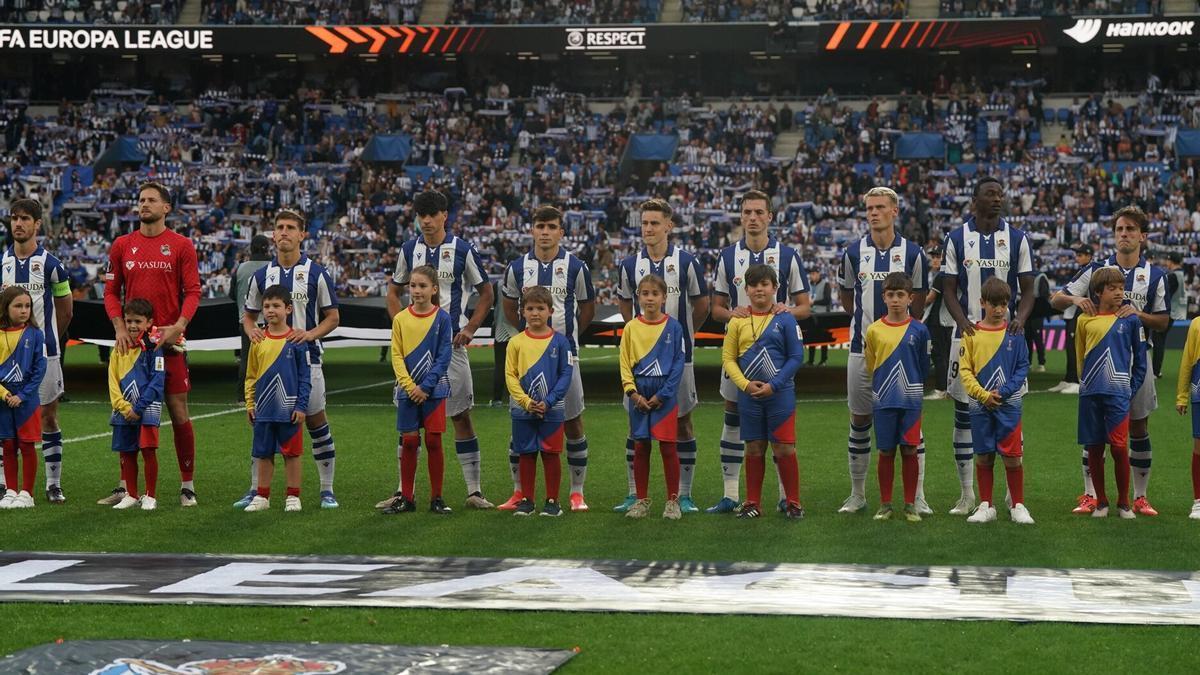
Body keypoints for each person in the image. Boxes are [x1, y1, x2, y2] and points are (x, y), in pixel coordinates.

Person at [1051, 206, 1166, 516]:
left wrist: (1138, 314)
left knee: (1139, 428)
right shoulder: (1097, 271)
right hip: (1099, 367)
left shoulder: (1154, 275)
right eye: (1119, 229)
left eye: (1130, 229)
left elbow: (1164, 321)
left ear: (1143, 236)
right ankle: (1091, 495)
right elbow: (1055, 299)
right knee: (1094, 432)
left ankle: (1139, 497)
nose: (1124, 234)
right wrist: (1077, 299)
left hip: (1136, 362)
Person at [388, 190, 495, 510]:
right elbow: (392, 292)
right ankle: (403, 491)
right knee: (408, 421)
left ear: (444, 215)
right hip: (413, 350)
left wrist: (470, 329)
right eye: (421, 216)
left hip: (451, 346)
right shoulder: (409, 249)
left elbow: (486, 293)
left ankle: (474, 491)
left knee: (460, 415)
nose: (426, 221)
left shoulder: (462, 249)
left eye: (432, 215)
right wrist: (402, 326)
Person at [709, 190, 811, 514]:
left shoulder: (788, 256)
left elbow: (805, 307)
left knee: (780, 433)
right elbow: (715, 309)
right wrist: (734, 314)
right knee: (733, 413)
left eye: (758, 212)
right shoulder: (727, 257)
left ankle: (785, 496)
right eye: (747, 212)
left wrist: (785, 312)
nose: (752, 218)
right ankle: (730, 493)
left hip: (776, 352)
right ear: (741, 217)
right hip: (739, 354)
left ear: (770, 217)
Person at [101, 182, 201, 508]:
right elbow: (111, 292)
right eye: (141, 199)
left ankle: (187, 485)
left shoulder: (182, 245)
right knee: (127, 411)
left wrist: (178, 327)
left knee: (179, 412)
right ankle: (127, 488)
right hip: (132, 347)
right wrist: (119, 326)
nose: (144, 204)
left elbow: (194, 292)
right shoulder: (121, 245)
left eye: (151, 200)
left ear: (166, 207)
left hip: (167, 346)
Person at [940, 177, 1035, 516]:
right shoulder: (956, 238)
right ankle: (969, 494)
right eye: (990, 194)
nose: (998, 199)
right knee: (964, 414)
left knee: (1012, 410)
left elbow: (1028, 289)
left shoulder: (1017, 238)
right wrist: (962, 321)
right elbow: (949, 289)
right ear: (974, 200)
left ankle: (1013, 496)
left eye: (1000, 194)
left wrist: (1020, 320)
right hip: (968, 337)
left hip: (1007, 338)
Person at [239, 209, 341, 510]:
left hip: (306, 360)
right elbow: (248, 316)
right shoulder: (261, 276)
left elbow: (333, 317)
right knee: (263, 423)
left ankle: (326, 489)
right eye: (279, 227)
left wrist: (310, 334)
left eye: (290, 228)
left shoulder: (317, 273)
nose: (284, 232)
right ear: (273, 235)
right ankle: (256, 490)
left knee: (315, 421)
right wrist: (252, 332)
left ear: (302, 234)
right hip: (269, 362)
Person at [838, 187, 929, 516]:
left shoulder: (913, 253)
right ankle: (858, 493)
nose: (873, 213)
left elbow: (918, 298)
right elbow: (848, 298)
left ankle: (916, 497)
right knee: (860, 419)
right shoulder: (852, 252)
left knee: (910, 425)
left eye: (880, 207)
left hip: (903, 352)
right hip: (862, 350)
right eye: (869, 208)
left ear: (894, 211)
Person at [614, 199, 708, 513]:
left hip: (680, 358)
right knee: (635, 427)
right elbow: (624, 304)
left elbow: (702, 304)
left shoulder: (687, 262)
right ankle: (634, 494)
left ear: (669, 225)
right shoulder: (629, 265)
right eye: (645, 223)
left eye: (655, 223)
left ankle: (683, 495)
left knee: (682, 425)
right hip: (640, 364)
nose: (649, 229)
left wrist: (684, 336)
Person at [500, 205, 595, 512]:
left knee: (572, 423)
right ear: (532, 230)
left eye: (551, 227)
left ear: (560, 232)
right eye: (540, 226)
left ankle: (576, 492)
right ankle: (519, 492)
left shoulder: (575, 266)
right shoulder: (517, 267)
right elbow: (508, 306)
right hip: (526, 358)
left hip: (565, 359)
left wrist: (564, 342)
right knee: (521, 427)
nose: (545, 232)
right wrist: (529, 340)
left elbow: (587, 308)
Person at [0, 198, 72, 504]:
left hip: (44, 354)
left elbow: (66, 311)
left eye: (25, 219)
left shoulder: (53, 265)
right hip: (6, 355)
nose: (18, 224)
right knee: (5, 418)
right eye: (14, 218)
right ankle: (7, 484)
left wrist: (46, 340)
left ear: (37, 224)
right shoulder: (2, 264)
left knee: (47, 417)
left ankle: (52, 483)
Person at [720, 264, 805, 520]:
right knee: (754, 448)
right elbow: (728, 358)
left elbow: (796, 356)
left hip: (780, 395)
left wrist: (774, 385)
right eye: (754, 285)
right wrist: (745, 385)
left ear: (775, 288)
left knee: (784, 448)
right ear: (746, 290)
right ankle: (752, 503)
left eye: (765, 284)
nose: (759, 289)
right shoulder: (737, 322)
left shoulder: (786, 319)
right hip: (750, 396)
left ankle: (793, 502)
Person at [958, 278, 1034, 525]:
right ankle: (986, 505)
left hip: (1008, 404)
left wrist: (1006, 391)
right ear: (982, 303)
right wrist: (983, 395)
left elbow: (1023, 366)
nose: (999, 309)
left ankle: (1018, 505)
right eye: (993, 304)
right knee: (983, 455)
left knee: (1012, 456)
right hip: (980, 405)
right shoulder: (971, 333)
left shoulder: (1015, 333)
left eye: (1003, 304)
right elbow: (965, 370)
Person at [381, 266, 453, 515]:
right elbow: (397, 355)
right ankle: (407, 498)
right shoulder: (400, 318)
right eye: (413, 286)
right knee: (409, 442)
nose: (417, 291)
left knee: (434, 441)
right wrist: (410, 386)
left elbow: (444, 356)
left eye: (422, 286)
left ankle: (437, 498)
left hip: (435, 390)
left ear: (434, 289)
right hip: (408, 391)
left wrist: (426, 386)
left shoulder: (443, 319)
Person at [1075, 267, 1146, 519]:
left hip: (1118, 394)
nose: (1119, 293)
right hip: (1090, 393)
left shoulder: (1131, 320)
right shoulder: (1084, 319)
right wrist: (1085, 384)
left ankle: (1124, 502)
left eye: (1121, 287)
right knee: (1094, 447)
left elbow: (1141, 361)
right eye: (1112, 288)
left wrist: (1130, 388)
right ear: (1098, 292)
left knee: (1118, 447)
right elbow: (1080, 356)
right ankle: (1102, 502)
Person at [619, 274, 686, 520]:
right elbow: (625, 363)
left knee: (668, 447)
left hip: (663, 397)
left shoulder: (674, 327)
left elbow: (678, 364)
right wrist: (633, 393)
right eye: (645, 293)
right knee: (641, 446)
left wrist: (663, 395)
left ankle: (673, 501)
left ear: (664, 297)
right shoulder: (631, 328)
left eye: (655, 294)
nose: (650, 298)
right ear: (638, 297)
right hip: (639, 395)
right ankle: (641, 500)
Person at [864, 272, 929, 523]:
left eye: (900, 295)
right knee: (886, 451)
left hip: (911, 401)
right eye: (890, 295)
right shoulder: (874, 330)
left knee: (910, 450)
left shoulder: (920, 330)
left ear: (910, 298)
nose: (895, 300)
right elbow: (871, 364)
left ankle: (910, 504)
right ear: (884, 297)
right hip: (883, 399)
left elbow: (924, 365)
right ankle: (885, 504)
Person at [505, 286, 574, 517]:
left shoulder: (561, 342)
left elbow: (566, 374)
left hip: (552, 409)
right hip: (522, 408)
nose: (535, 313)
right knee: (526, 452)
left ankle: (553, 501)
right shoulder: (515, 342)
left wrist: (550, 400)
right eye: (530, 308)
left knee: (551, 453)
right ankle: (527, 500)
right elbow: (510, 376)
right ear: (522, 312)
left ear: (551, 311)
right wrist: (525, 401)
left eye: (540, 308)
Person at [242, 285, 312, 513]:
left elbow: (304, 377)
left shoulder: (297, 340)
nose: (270, 310)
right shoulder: (258, 340)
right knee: (263, 453)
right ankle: (262, 496)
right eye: (266, 306)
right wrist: (250, 403)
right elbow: (251, 375)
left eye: (276, 306)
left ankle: (293, 496)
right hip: (263, 409)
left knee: (292, 454)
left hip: (289, 409)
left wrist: (301, 406)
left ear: (288, 309)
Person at [107, 298, 165, 511]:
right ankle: (131, 494)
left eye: (138, 321)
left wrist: (138, 408)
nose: (132, 325)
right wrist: (122, 406)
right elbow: (112, 380)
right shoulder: (118, 348)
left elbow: (158, 381)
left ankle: (150, 495)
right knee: (126, 452)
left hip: (147, 408)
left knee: (148, 451)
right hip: (123, 409)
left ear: (149, 323)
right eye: (129, 320)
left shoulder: (153, 348)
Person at [0, 286, 45, 509]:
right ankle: (10, 490)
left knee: (27, 445)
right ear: (5, 308)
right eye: (18, 306)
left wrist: (23, 395)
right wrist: (5, 393)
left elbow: (39, 369)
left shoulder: (36, 334)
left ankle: (26, 493)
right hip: (3, 400)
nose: (24, 310)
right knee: (7, 444)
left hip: (27, 401)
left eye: (27, 306)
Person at [232, 234, 272, 404]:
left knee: (247, 359)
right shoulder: (273, 267)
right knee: (270, 358)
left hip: (246, 320)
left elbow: (231, 294)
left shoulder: (240, 268)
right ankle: (268, 394)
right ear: (267, 248)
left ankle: (242, 396)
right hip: (269, 320)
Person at [1049, 246, 1094, 395]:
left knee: (1076, 348)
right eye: (1077, 255)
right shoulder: (1081, 270)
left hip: (1080, 313)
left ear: (1089, 256)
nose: (1078, 257)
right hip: (1070, 313)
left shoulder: (1091, 271)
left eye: (1081, 255)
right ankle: (1069, 378)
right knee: (1070, 347)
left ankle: (1077, 380)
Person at [1175, 310, 1200, 520]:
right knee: (1199, 447)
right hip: (1199, 391)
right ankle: (1198, 501)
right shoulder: (1196, 324)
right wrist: (1182, 395)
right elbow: (1187, 361)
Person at [922, 247, 953, 401]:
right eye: (933, 256)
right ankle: (948, 388)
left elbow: (929, 298)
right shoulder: (943, 275)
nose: (934, 259)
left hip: (939, 321)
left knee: (939, 355)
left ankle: (942, 389)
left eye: (937, 256)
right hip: (944, 321)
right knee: (945, 355)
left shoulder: (941, 276)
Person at [1157, 252, 1187, 379]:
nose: (1166, 263)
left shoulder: (1173, 275)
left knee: (1158, 339)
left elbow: (1166, 295)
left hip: (1170, 311)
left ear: (1171, 261)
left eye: (1167, 261)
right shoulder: (1181, 274)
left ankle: (1155, 371)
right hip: (1177, 311)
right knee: (1160, 339)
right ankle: (1156, 370)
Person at [490, 280, 516, 407]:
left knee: (500, 366)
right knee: (520, 367)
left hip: (501, 329)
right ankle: (518, 397)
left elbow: (492, 304)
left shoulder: (498, 284)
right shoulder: (524, 280)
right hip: (518, 330)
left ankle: (497, 399)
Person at [1024, 265, 1051, 373]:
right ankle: (1029, 363)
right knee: (1027, 339)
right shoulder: (1026, 276)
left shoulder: (1041, 276)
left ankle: (1041, 363)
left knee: (1038, 339)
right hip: (1027, 313)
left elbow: (1044, 295)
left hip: (1037, 313)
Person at [806, 267, 832, 367]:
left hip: (822, 315)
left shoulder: (825, 284)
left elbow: (827, 300)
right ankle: (811, 360)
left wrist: (814, 302)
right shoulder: (809, 285)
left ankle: (823, 360)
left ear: (818, 274)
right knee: (811, 338)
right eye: (811, 274)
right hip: (811, 314)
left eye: (814, 274)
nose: (812, 276)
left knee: (823, 338)